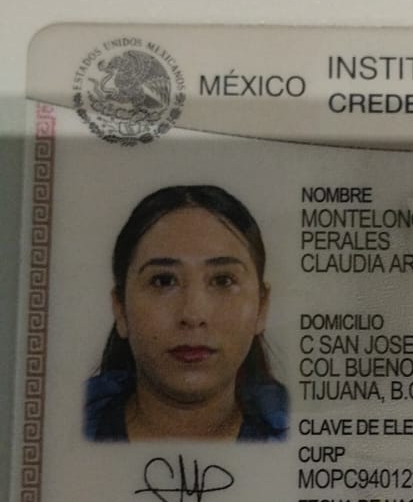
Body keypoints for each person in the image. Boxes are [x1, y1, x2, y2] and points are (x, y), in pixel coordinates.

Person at [85, 185, 289, 440]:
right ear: (120, 309)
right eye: (163, 281)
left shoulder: (306, 432)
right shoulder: (62, 428)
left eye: (223, 280)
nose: (193, 315)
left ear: (261, 306)